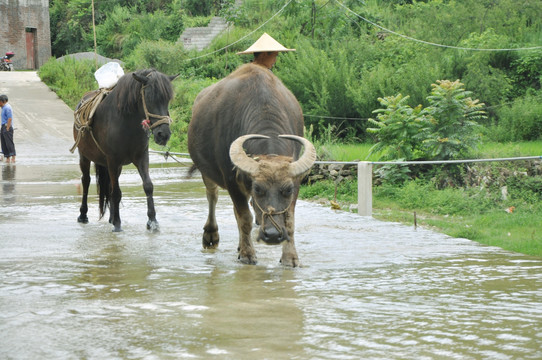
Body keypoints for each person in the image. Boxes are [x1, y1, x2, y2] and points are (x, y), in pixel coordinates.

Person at [0, 94, 16, 164]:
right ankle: (7, 158)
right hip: (3, 126)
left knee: (9, 143)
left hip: (7, 127)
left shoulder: (7, 107)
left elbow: (9, 118)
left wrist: (8, 128)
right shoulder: (3, 108)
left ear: (2, 101)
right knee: (4, 143)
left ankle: (13, 157)